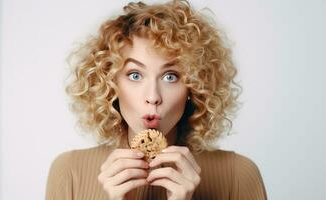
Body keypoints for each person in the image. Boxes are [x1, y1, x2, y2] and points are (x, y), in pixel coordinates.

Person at [45, 0, 267, 199]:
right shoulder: (69, 173)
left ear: (195, 86)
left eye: (170, 76)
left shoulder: (239, 175)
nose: (153, 97)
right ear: (110, 83)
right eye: (135, 75)